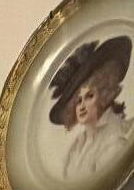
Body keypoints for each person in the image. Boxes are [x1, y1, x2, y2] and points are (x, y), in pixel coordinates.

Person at [48, 35, 134, 181]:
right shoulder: (77, 145)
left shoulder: (118, 136)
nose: (81, 106)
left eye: (89, 96)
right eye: (77, 101)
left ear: (104, 94)